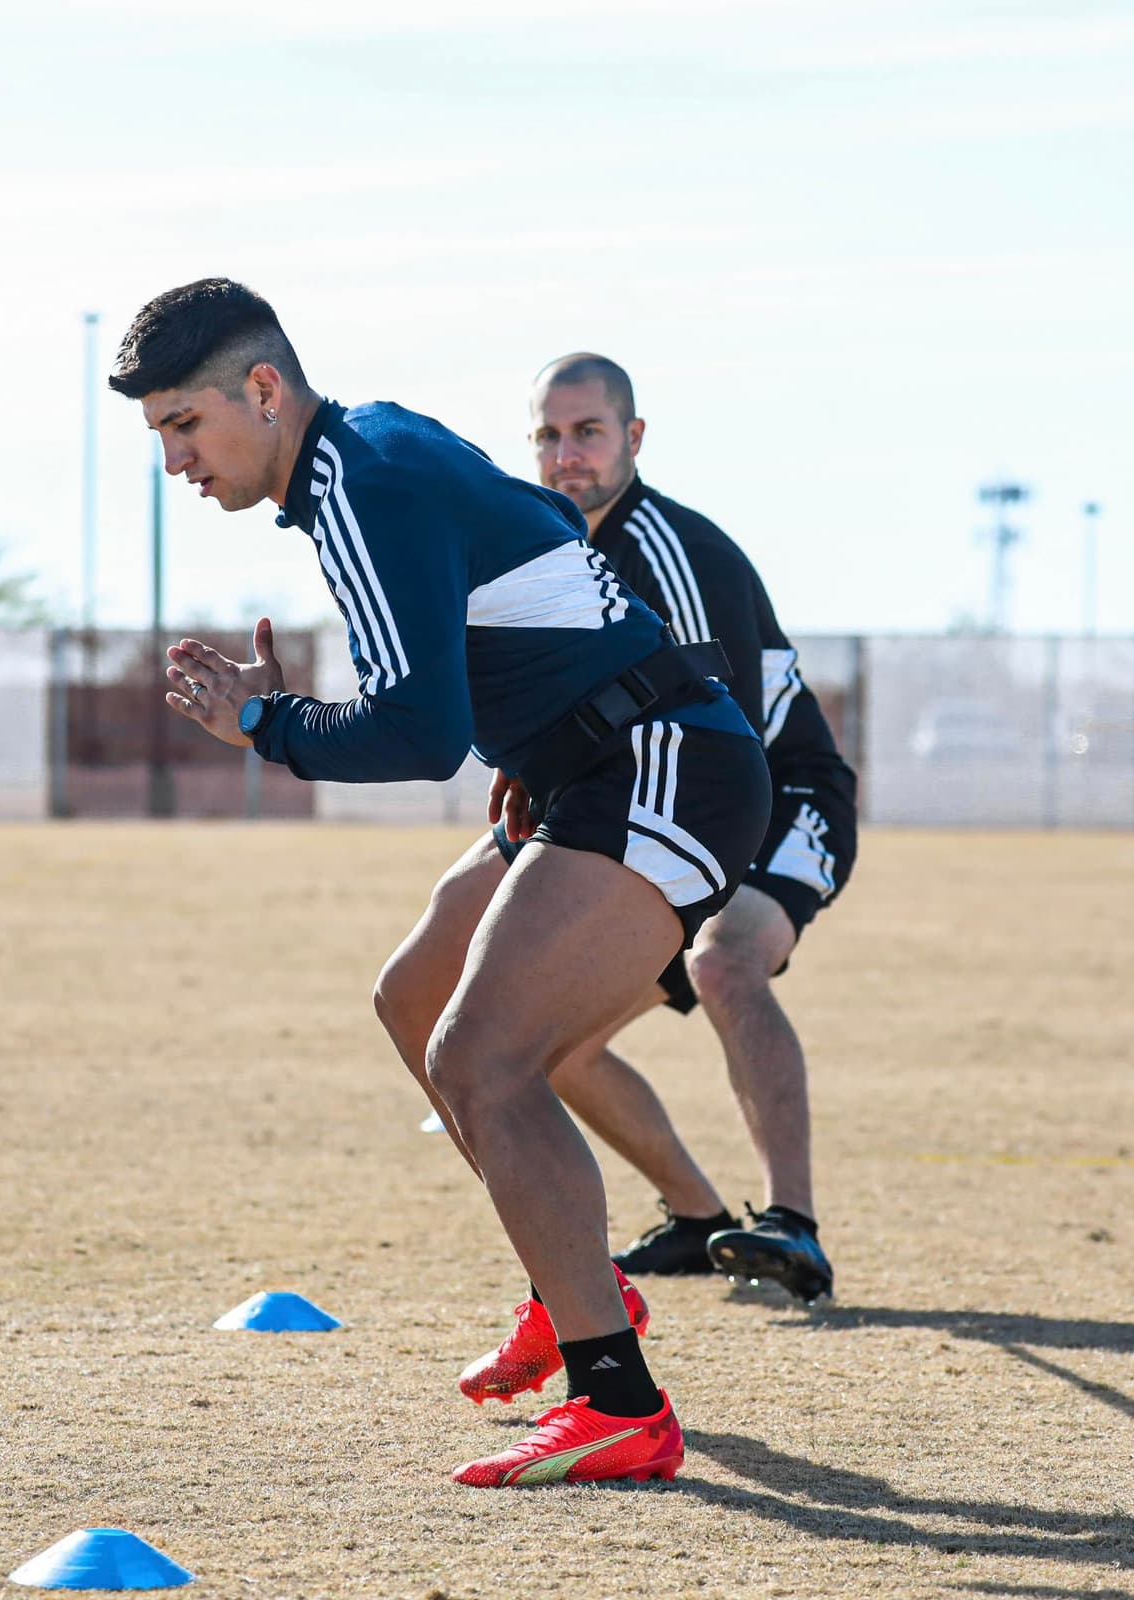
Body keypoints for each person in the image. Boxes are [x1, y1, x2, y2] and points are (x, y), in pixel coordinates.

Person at [108, 280, 771, 1488]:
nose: (174, 462)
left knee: (482, 1058)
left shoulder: (364, 481)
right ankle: (576, 1284)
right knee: (411, 996)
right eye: (159, 434)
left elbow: (419, 733)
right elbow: (540, 532)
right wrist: (539, 725)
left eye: (184, 425)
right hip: (594, 763)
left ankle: (616, 1400)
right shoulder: (365, 453)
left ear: (264, 389)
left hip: (661, 763)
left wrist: (264, 722)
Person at [378, 352, 855, 1421]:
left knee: (722, 958)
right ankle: (690, 1220)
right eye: (547, 436)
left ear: (633, 438)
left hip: (769, 800)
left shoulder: (669, 548)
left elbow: (709, 731)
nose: (565, 456)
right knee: (513, 1026)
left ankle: (792, 1224)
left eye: (587, 432)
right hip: (614, 796)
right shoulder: (539, 538)